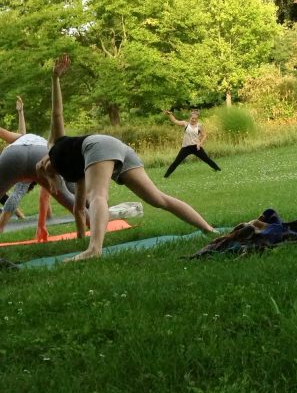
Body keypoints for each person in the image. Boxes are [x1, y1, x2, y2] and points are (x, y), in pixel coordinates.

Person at [35, 55, 216, 261]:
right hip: (115, 148)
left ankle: (94, 250)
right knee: (158, 199)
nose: (42, 165)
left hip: (97, 145)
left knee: (98, 196)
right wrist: (79, 236)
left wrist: (55, 78)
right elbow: (78, 209)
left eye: (42, 164)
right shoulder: (76, 172)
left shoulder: (53, 145)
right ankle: (209, 229)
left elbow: (56, 113)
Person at [0, 95, 79, 238]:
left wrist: (20, 112)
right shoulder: (41, 143)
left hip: (15, 158)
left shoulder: (21, 139)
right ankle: (91, 217)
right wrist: (41, 224)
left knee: (19, 192)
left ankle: (1, 227)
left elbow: (12, 133)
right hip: (40, 154)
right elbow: (45, 195)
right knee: (67, 192)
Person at [163, 108, 221, 177]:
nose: (194, 120)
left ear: (197, 119)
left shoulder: (199, 126)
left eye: (195, 119)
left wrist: (200, 143)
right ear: (190, 118)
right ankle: (166, 176)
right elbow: (175, 121)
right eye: (192, 118)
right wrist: (170, 115)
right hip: (186, 147)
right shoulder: (185, 124)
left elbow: (204, 135)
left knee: (207, 159)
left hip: (196, 147)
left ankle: (218, 169)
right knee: (176, 162)